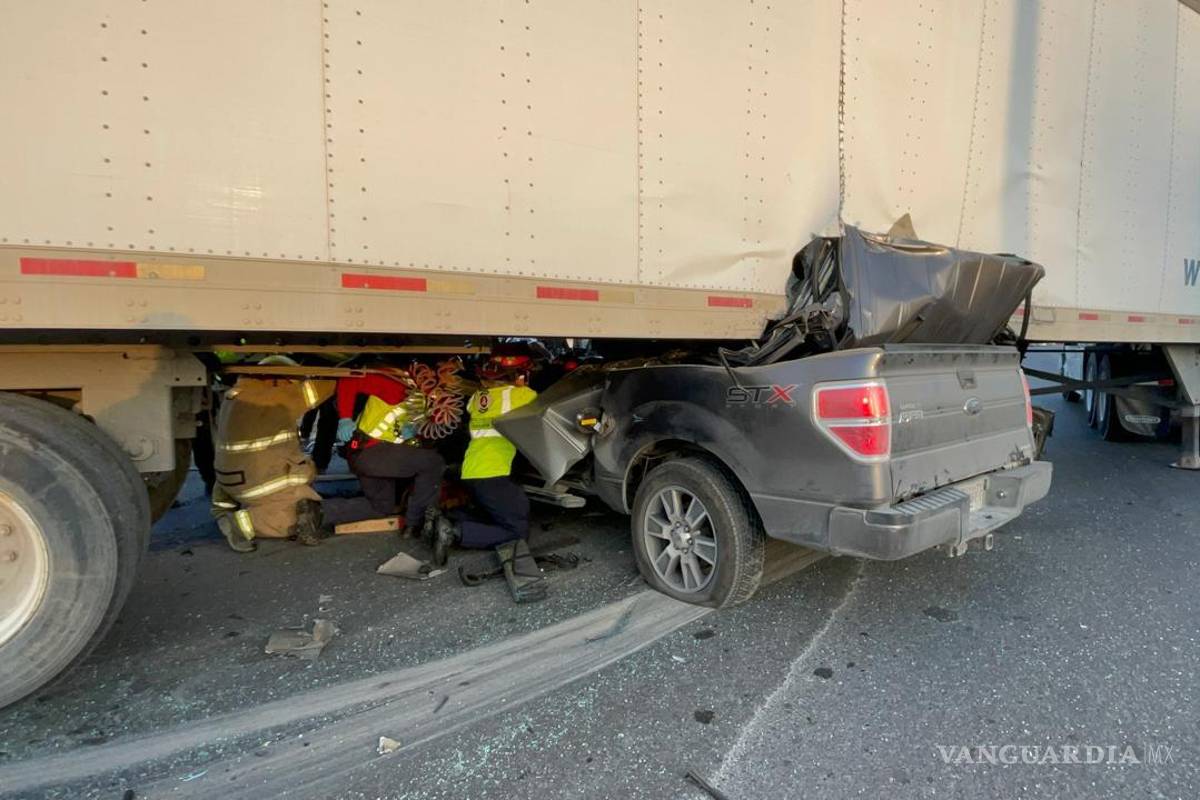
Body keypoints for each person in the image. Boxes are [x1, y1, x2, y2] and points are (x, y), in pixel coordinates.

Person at [210, 372, 335, 552]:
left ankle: (223, 512)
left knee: (255, 467)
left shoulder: (233, 396)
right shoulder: (277, 396)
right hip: (258, 482)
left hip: (225, 480)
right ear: (277, 380)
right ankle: (240, 524)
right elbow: (321, 388)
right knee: (301, 480)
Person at [432, 359, 537, 566]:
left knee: (495, 513)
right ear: (518, 376)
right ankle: (454, 532)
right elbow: (542, 408)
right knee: (518, 532)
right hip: (494, 471)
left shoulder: (476, 398)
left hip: (471, 469)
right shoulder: (520, 395)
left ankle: (445, 518)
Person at [338, 369, 446, 540]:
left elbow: (435, 424)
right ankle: (415, 523)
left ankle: (322, 511)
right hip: (372, 453)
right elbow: (348, 381)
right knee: (433, 462)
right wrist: (344, 418)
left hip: (364, 456)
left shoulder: (426, 402)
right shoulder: (395, 385)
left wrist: (417, 431)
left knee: (382, 508)